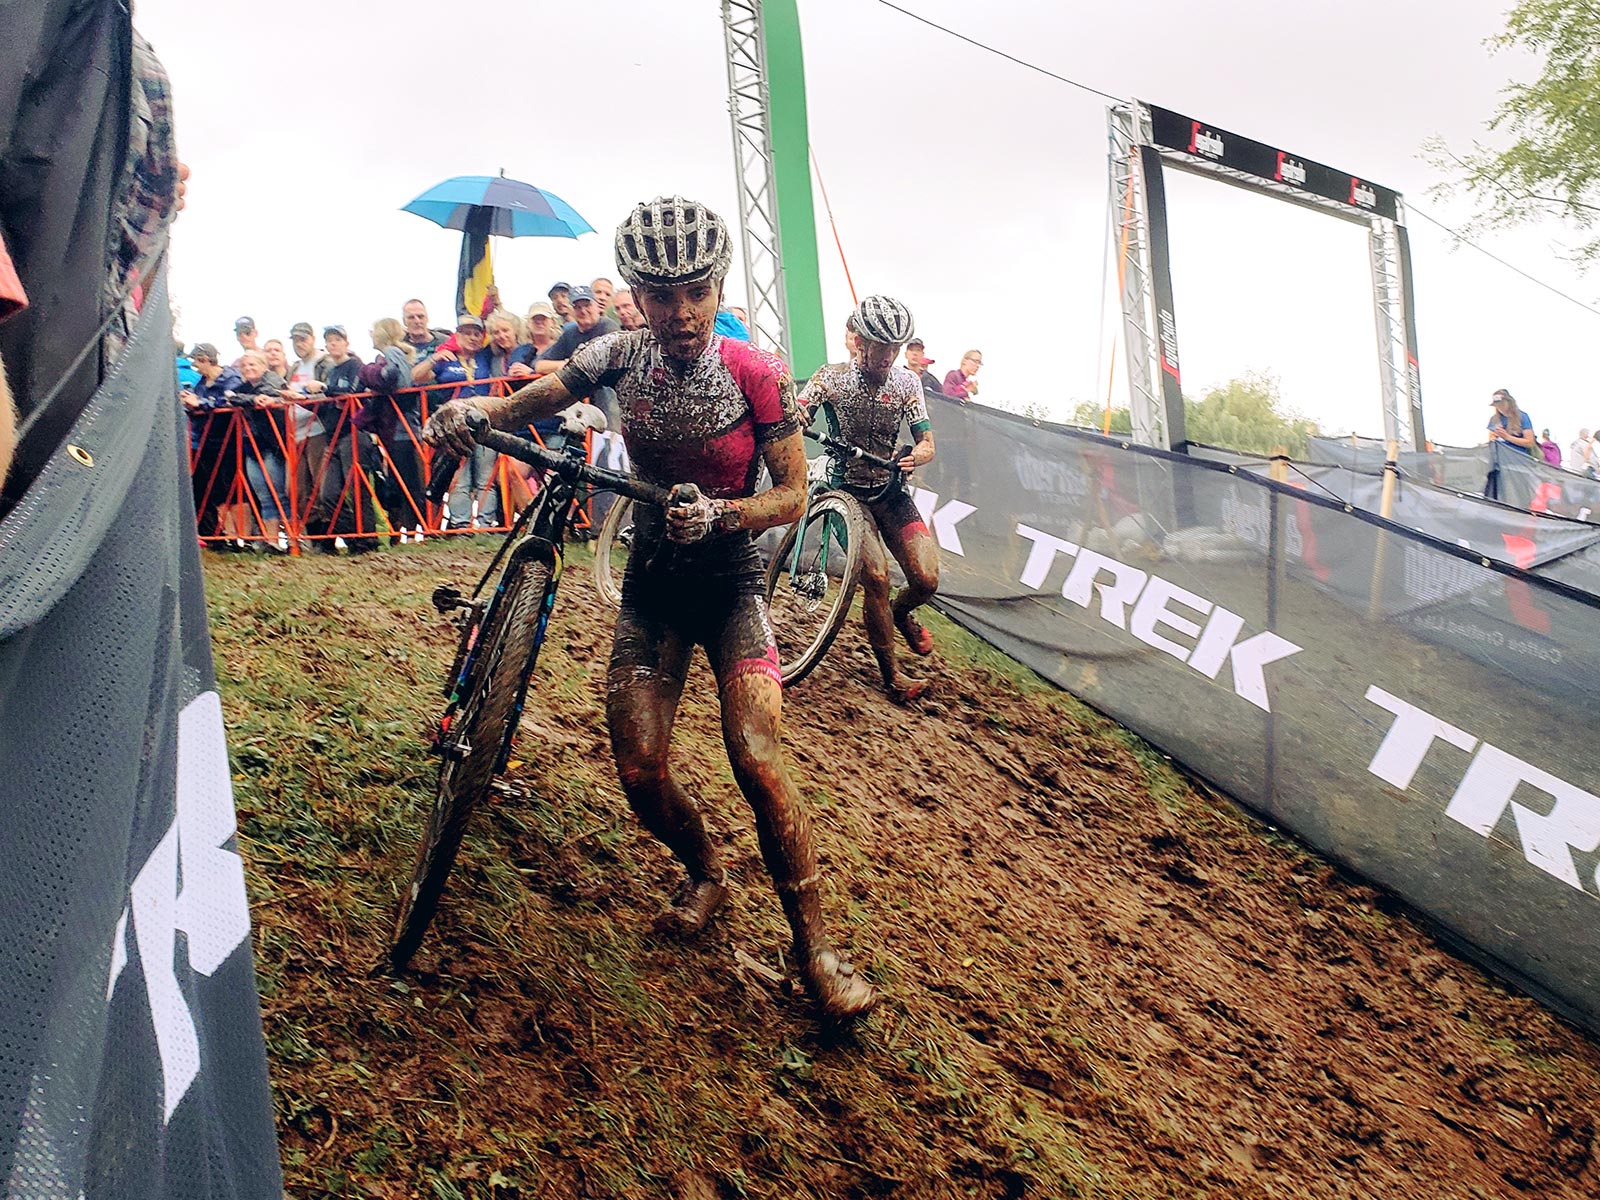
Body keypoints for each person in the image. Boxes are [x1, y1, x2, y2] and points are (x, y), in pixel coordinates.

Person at [425, 195, 877, 1020]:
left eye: (696, 292)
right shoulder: (613, 355)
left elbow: (793, 494)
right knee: (639, 769)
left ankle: (815, 949)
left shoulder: (757, 371)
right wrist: (472, 411)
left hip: (733, 581)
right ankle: (707, 869)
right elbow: (525, 402)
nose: (680, 312)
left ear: (718, 285)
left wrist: (722, 514)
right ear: (636, 289)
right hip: (655, 585)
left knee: (755, 753)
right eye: (661, 294)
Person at [799, 296, 939, 703]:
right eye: (881, 345)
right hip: (846, 492)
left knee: (927, 579)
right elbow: (802, 406)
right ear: (860, 341)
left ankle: (899, 613)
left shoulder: (907, 383)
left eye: (895, 348)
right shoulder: (832, 377)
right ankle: (891, 675)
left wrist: (919, 455)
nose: (889, 355)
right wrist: (801, 413)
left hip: (890, 490)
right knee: (875, 576)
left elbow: (927, 442)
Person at [415, 312, 499, 529]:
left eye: (476, 334)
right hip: (453, 425)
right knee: (459, 478)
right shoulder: (446, 357)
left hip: (484, 422)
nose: (472, 338)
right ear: (456, 335)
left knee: (485, 478)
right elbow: (416, 377)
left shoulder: (485, 356)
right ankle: (461, 524)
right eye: (466, 333)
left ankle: (486, 524)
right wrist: (434, 358)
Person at [308, 325, 379, 554]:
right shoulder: (331, 370)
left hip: (354, 432)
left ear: (346, 343)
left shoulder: (355, 365)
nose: (333, 344)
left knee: (358, 487)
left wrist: (324, 389)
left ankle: (367, 538)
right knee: (328, 494)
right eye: (329, 341)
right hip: (334, 435)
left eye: (337, 339)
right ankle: (352, 536)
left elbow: (353, 392)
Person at [181, 342, 243, 548]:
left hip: (228, 439)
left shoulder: (230, 378)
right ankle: (223, 533)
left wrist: (202, 404)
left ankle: (240, 537)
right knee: (214, 488)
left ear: (206, 360)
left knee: (231, 488)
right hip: (206, 441)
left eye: (197, 362)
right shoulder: (201, 382)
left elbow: (230, 401)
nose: (195, 367)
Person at [233, 349, 289, 553]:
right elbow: (231, 396)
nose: (248, 369)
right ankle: (272, 541)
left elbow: (269, 394)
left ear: (264, 366)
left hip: (271, 445)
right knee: (264, 495)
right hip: (251, 445)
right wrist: (251, 400)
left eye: (253, 364)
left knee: (280, 492)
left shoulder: (272, 380)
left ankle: (294, 539)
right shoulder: (244, 388)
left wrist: (252, 399)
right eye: (245, 366)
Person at [1487, 388, 1537, 456]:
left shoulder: (1522, 416)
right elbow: (1490, 440)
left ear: (1509, 402)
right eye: (1497, 405)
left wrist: (1507, 437)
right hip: (1500, 458)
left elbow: (1530, 442)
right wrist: (1494, 438)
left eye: (1502, 404)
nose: (1500, 407)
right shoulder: (1493, 419)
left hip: (1519, 458)